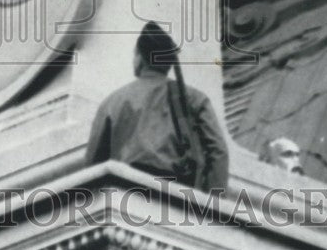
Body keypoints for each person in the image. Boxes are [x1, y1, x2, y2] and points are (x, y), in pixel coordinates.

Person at [85, 21, 229, 191]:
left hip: (123, 194)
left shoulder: (112, 103)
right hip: (177, 196)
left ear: (140, 58)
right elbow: (218, 152)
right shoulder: (195, 99)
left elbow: (93, 166)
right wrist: (213, 207)